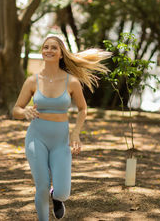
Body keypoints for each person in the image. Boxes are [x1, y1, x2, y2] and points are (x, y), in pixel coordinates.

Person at [12, 35, 111, 220]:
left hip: (60, 141)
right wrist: (24, 112)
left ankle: (56, 197)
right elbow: (16, 109)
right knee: (41, 187)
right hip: (36, 137)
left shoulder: (71, 81)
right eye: (45, 47)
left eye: (53, 48)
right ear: (42, 52)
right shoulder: (32, 81)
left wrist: (75, 134)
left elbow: (82, 109)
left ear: (61, 54)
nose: (49, 50)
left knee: (63, 192)